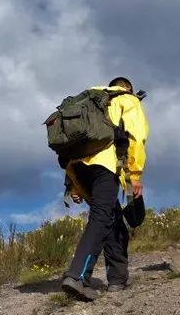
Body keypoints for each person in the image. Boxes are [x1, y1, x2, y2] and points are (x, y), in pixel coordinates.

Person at [61, 77, 149, 301]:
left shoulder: (89, 99)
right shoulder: (127, 100)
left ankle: (118, 278)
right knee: (101, 217)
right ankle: (77, 276)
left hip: (78, 168)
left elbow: (74, 141)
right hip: (106, 166)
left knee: (113, 217)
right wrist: (135, 176)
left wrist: (73, 184)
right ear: (127, 88)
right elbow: (135, 138)